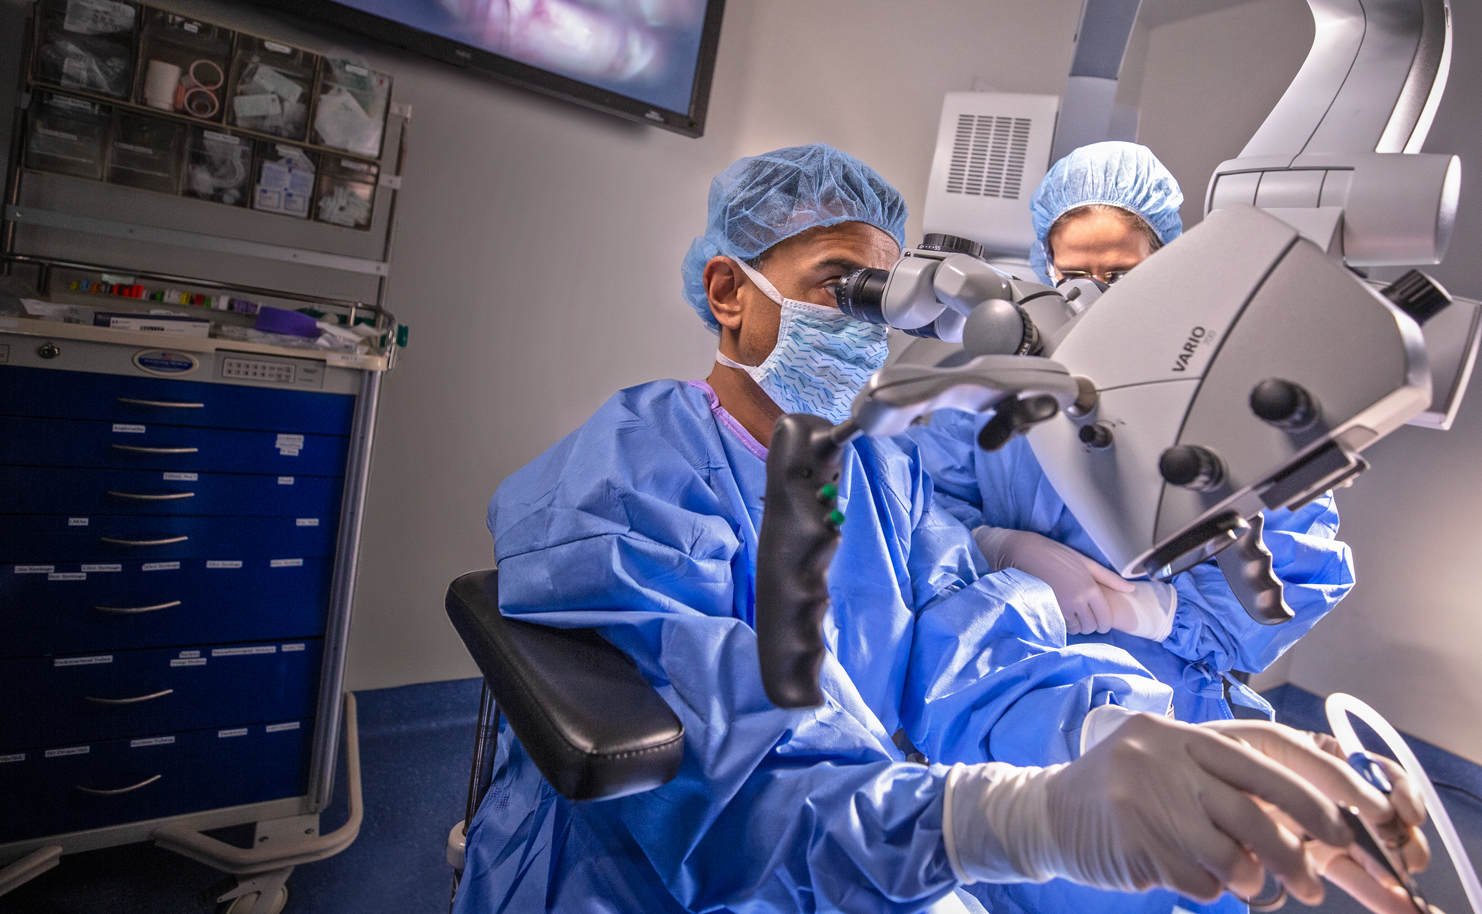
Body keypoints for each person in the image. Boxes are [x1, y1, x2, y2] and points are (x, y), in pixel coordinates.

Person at [454, 144, 1428, 914]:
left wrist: (1110, 728)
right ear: (728, 292)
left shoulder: (877, 470)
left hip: (852, 840)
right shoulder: (637, 471)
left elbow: (968, 653)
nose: (864, 324)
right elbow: (724, 787)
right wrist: (1010, 820)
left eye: (881, 295)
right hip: (638, 881)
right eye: (838, 283)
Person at [900, 141, 1355, 734]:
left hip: (1164, 706)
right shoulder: (996, 389)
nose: (1091, 296)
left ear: (1166, 263)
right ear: (1046, 270)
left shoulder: (1229, 394)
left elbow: (1300, 574)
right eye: (1072, 277)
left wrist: (1157, 612)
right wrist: (997, 544)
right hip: (1011, 691)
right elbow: (916, 506)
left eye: (1119, 275)